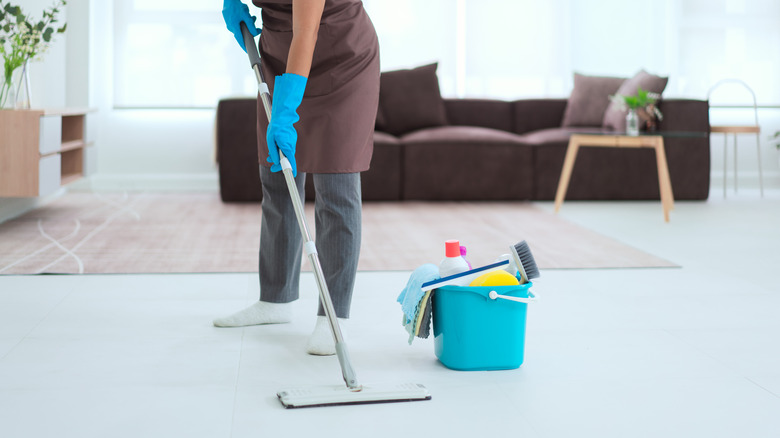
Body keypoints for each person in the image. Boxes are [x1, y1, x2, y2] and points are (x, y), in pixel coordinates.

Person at [213, 0, 380, 356]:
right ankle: (275, 299)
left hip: (341, 57)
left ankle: (333, 317)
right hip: (280, 55)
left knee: (335, 184)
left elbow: (307, 30)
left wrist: (286, 109)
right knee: (278, 180)